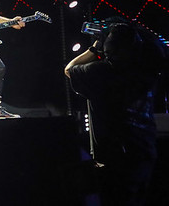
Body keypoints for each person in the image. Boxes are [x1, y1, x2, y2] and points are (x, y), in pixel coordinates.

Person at [65, 17, 167, 206]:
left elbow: (69, 70)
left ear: (109, 48)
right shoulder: (147, 71)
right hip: (144, 152)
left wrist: (94, 48)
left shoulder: (101, 72)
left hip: (115, 158)